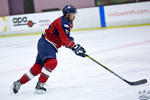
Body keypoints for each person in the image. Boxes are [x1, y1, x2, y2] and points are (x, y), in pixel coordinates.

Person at [12, 5, 86, 94]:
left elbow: (64, 38)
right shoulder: (63, 23)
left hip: (46, 43)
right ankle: (40, 85)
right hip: (47, 44)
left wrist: (75, 46)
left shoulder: (67, 22)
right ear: (67, 14)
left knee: (38, 67)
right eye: (72, 14)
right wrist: (75, 47)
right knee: (52, 62)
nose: (74, 16)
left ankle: (18, 82)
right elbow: (64, 39)